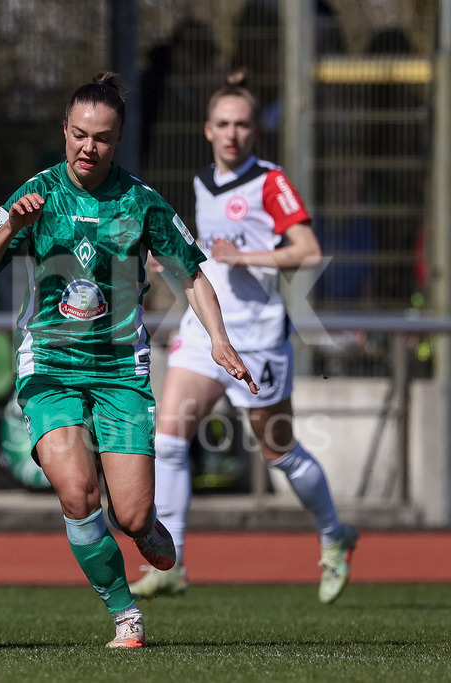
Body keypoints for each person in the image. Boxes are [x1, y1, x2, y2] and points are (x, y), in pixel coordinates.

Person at [0, 72, 258, 648]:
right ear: (64, 131)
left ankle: (144, 528)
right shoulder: (38, 192)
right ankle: (125, 613)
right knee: (76, 492)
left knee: (133, 515)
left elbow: (191, 276)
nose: (87, 147)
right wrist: (14, 227)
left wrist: (219, 340)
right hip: (49, 367)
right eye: (78, 134)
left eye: (100, 137)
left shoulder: (141, 201)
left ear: (117, 140)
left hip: (121, 370)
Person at [128, 71, 358, 605]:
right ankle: (174, 562)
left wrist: (245, 256)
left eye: (243, 125)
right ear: (207, 130)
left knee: (279, 453)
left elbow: (307, 249)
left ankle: (334, 538)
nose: (233, 134)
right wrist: (176, 260)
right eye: (223, 124)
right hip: (206, 330)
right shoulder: (203, 181)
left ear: (255, 131)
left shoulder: (269, 182)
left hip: (257, 338)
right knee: (168, 438)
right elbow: (208, 254)